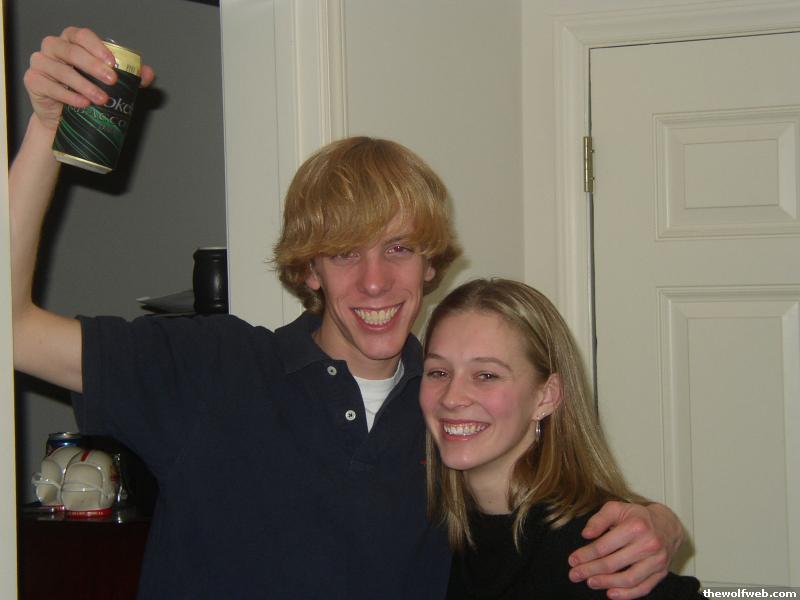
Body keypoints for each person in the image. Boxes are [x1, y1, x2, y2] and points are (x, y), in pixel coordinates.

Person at [11, 27, 685, 600]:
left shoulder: (450, 414)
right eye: (343, 253)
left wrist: (654, 523)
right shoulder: (212, 368)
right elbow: (11, 331)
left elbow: (537, 525)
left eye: (399, 248)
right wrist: (46, 130)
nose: (375, 281)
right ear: (309, 270)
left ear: (430, 264)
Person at [420, 278, 703, 599]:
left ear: (546, 396)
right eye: (438, 372)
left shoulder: (593, 552)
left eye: (486, 375)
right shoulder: (435, 531)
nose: (452, 398)